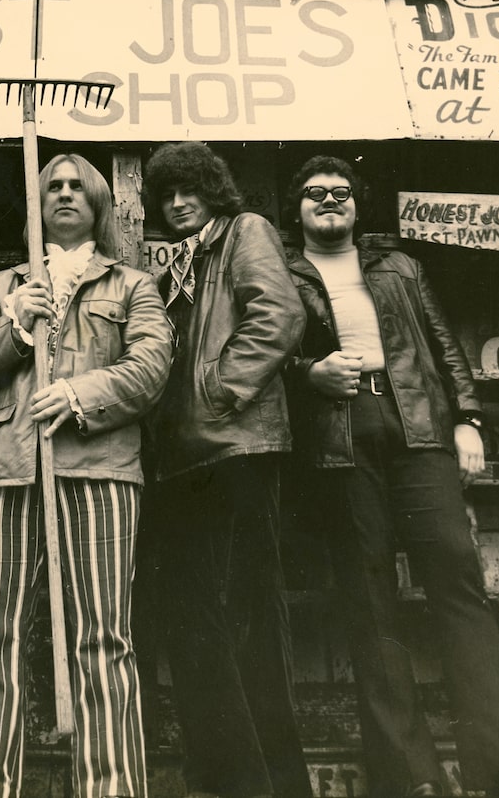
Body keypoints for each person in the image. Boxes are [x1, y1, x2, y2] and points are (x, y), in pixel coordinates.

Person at [283, 154, 499, 798]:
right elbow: (272, 354)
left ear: (358, 206)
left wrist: (468, 421)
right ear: (298, 207)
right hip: (339, 435)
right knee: (369, 600)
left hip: (418, 426)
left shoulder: (401, 266)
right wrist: (308, 374)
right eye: (317, 193)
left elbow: (443, 344)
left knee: (456, 578)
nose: (330, 201)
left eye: (342, 192)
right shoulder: (284, 273)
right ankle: (409, 775)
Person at [0, 153, 172, 798]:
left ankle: (111, 789)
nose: (65, 193)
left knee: (104, 637)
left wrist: (78, 394)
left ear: (99, 203)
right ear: (35, 203)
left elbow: (152, 365)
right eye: (53, 186)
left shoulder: (132, 284)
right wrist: (15, 324)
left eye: (78, 186)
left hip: (100, 471)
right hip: (4, 473)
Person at [141, 142, 312, 798]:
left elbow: (279, 314)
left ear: (214, 191)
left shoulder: (245, 232)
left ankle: (256, 779)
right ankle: (232, 772)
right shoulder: (176, 270)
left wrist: (221, 390)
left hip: (237, 449)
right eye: (167, 195)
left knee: (242, 614)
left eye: (190, 190)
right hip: (187, 459)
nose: (178, 203)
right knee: (199, 615)